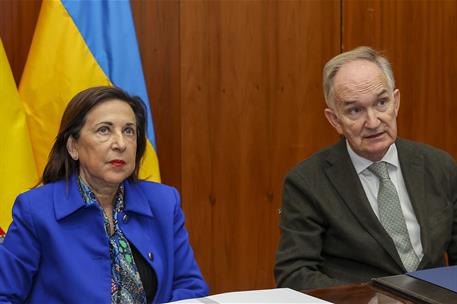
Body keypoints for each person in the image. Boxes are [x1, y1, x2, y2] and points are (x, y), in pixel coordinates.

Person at [0, 86, 208, 303]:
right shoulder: (36, 211)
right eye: (104, 130)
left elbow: (191, 287)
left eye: (129, 131)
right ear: (73, 146)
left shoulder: (163, 203)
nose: (120, 144)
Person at [275, 46, 457, 290]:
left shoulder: (439, 166)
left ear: (396, 102)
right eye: (355, 110)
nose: (373, 122)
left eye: (382, 103)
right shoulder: (307, 182)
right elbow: (295, 275)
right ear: (335, 120)